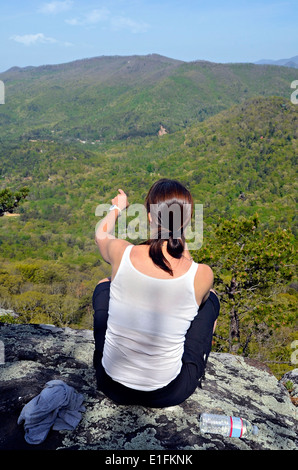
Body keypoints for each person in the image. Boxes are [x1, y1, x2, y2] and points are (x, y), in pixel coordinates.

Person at [93, 178, 220, 408]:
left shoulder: (123, 251)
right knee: (210, 299)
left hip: (110, 383)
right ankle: (192, 358)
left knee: (105, 284)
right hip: (167, 392)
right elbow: (184, 276)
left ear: (149, 216)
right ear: (188, 220)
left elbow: (101, 234)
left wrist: (117, 208)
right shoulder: (201, 274)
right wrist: (179, 233)